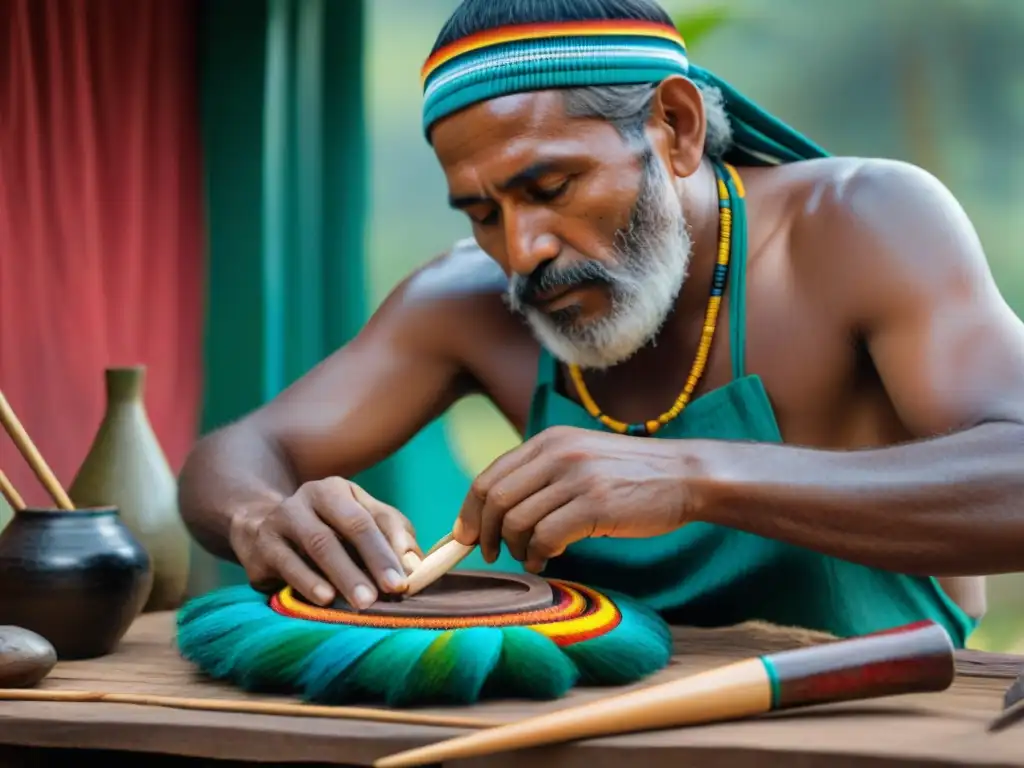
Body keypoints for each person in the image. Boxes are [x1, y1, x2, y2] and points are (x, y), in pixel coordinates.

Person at [178, 0, 1024, 648]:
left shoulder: (856, 226)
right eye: (480, 211)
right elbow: (237, 456)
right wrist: (262, 518)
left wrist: (692, 477)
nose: (521, 250)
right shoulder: (467, 299)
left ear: (676, 129)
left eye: (550, 189)